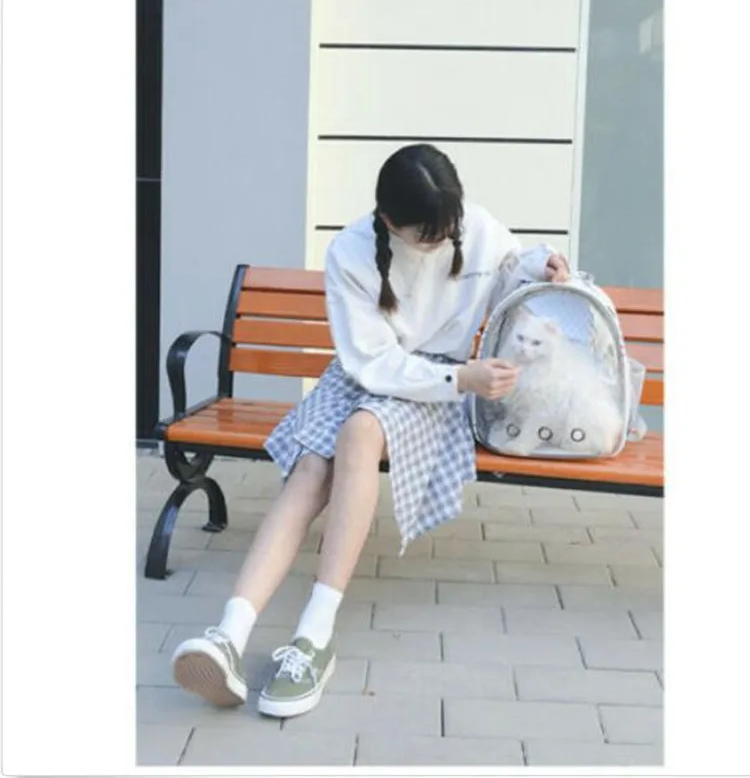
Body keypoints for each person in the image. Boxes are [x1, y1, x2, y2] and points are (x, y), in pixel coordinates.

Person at [171, 143, 570, 718]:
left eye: (449, 228)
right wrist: (463, 377)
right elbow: (372, 364)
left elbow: (512, 266)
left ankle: (314, 635)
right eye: (426, 236)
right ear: (387, 221)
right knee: (312, 466)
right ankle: (229, 634)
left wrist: (544, 263)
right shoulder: (352, 251)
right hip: (378, 372)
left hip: (441, 384)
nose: (442, 241)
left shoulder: (474, 226)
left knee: (359, 434)